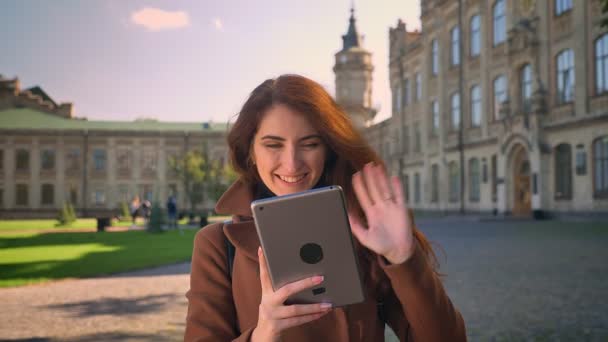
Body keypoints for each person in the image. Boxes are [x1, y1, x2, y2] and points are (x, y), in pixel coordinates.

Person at [185, 75, 466, 341]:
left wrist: (403, 259)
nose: (292, 163)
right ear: (250, 152)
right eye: (273, 145)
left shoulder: (367, 233)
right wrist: (263, 333)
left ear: (329, 150)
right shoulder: (217, 246)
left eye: (309, 144)